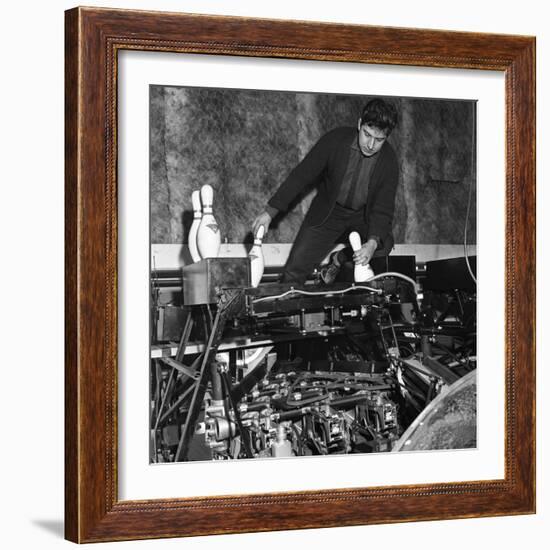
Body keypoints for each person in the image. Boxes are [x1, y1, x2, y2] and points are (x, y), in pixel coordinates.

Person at [252, 98, 399, 284]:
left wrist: (371, 243)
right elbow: (301, 175)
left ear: (387, 137)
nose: (371, 145)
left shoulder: (389, 161)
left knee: (383, 244)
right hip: (329, 213)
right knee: (294, 270)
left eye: (379, 140)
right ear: (359, 123)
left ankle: (340, 258)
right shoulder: (334, 140)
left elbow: (383, 208)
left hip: (363, 217)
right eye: (367, 135)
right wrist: (270, 212)